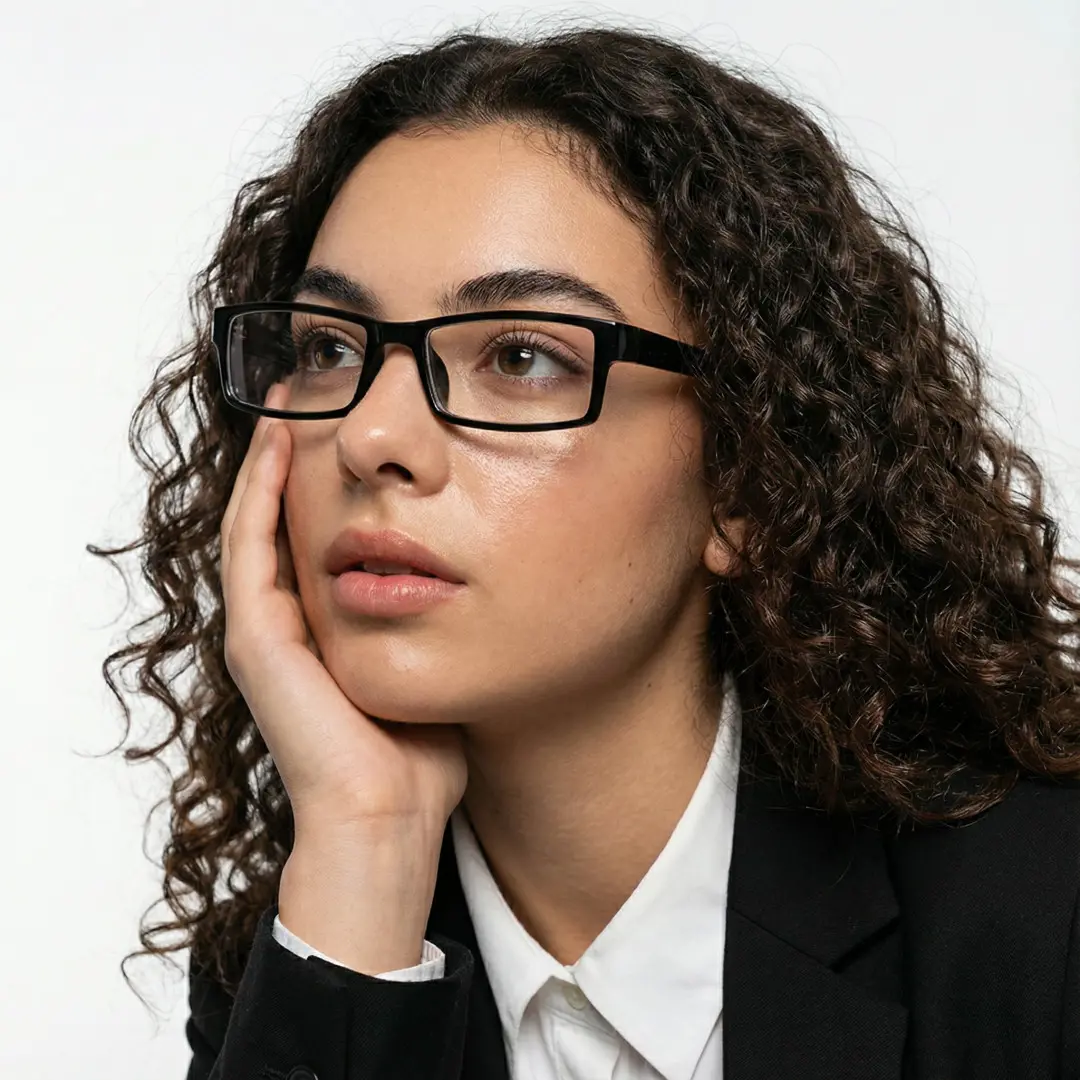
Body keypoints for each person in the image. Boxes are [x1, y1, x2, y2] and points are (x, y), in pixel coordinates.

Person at [90, 22, 1080, 1080]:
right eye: (331, 349)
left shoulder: (1042, 920)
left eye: (521, 355)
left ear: (749, 478)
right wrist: (367, 844)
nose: (372, 437)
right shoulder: (310, 954)